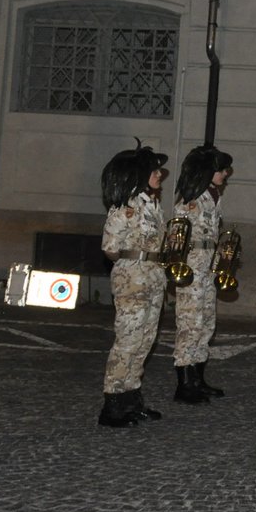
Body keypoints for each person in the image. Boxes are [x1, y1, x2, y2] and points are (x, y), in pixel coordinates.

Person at [97, 141, 170, 428]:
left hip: (153, 276)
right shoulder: (124, 208)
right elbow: (109, 249)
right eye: (154, 170)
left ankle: (131, 398)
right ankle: (112, 404)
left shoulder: (152, 205)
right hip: (132, 278)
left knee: (145, 340)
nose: (159, 175)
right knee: (127, 340)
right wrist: (133, 262)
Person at [171, 144, 233, 403]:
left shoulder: (214, 196)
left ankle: (198, 377)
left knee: (206, 323)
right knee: (190, 324)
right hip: (193, 266)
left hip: (208, 266)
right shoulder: (190, 198)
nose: (226, 174)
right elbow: (176, 237)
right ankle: (184, 385)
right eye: (222, 170)